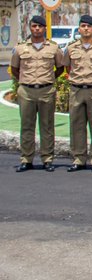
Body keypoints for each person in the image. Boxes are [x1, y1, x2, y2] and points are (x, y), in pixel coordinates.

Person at [10, 15, 64, 172]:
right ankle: (26, 159)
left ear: (44, 28)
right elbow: (14, 69)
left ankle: (47, 159)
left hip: (46, 89)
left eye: (40, 26)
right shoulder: (20, 48)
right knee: (27, 126)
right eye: (34, 26)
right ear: (30, 27)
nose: (37, 29)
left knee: (47, 126)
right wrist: (25, 80)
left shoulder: (53, 48)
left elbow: (60, 67)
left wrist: (49, 79)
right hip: (26, 90)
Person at [63, 15, 92, 173]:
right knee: (77, 124)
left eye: (89, 26)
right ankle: (79, 158)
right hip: (76, 89)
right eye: (83, 26)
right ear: (79, 28)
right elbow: (67, 68)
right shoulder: (71, 48)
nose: (85, 29)